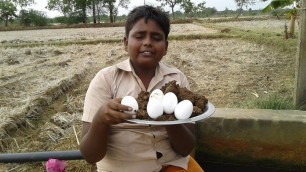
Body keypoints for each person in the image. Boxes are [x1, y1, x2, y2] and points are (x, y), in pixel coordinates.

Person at [80, 5, 204, 172]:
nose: (147, 42)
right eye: (139, 36)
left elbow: (185, 148)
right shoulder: (106, 79)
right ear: (125, 43)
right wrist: (101, 120)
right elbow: (90, 156)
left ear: (166, 46)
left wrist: (170, 116)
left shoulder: (176, 80)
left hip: (171, 165)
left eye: (156, 37)